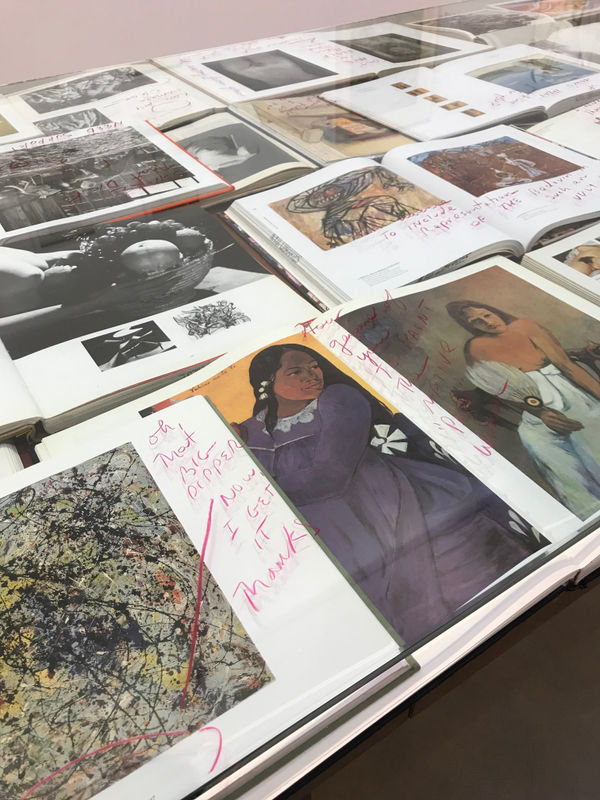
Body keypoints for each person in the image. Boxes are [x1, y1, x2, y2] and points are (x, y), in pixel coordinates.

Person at [234, 343, 539, 647]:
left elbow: (332, 476)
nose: (312, 375)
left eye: (313, 366)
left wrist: (263, 488)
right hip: (322, 525)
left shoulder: (339, 399)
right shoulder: (250, 431)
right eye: (296, 371)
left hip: (378, 502)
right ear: (268, 383)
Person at [446, 300, 600, 518]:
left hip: (564, 393)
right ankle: (588, 512)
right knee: (533, 438)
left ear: (494, 310)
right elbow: (500, 389)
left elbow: (568, 366)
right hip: (532, 407)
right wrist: (541, 413)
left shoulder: (526, 327)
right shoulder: (475, 348)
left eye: (487, 315)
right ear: (471, 326)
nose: (486, 322)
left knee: (587, 436)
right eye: (477, 321)